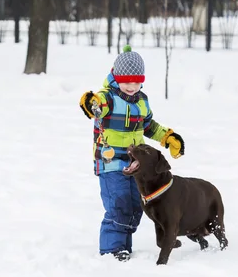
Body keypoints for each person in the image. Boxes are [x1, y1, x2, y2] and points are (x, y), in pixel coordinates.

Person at [79, 45, 185, 262]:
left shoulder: (142, 101)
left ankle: (123, 247)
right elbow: (97, 102)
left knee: (136, 205)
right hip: (110, 163)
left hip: (136, 166)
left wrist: (168, 137)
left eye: (137, 81)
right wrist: (91, 102)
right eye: (127, 81)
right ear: (117, 78)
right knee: (119, 204)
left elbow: (150, 126)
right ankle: (111, 251)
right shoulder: (108, 98)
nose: (132, 86)